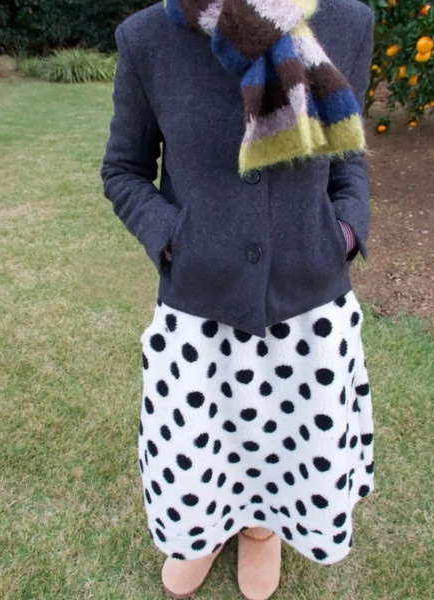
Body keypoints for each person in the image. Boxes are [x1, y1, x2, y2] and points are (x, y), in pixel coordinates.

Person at [100, 1, 376, 599]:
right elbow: (123, 169)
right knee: (198, 449)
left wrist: (344, 231)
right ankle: (202, 532)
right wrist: (175, 242)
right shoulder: (148, 38)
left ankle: (259, 530)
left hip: (309, 308)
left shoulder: (349, 22)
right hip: (199, 310)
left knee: (289, 447)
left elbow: (347, 156)